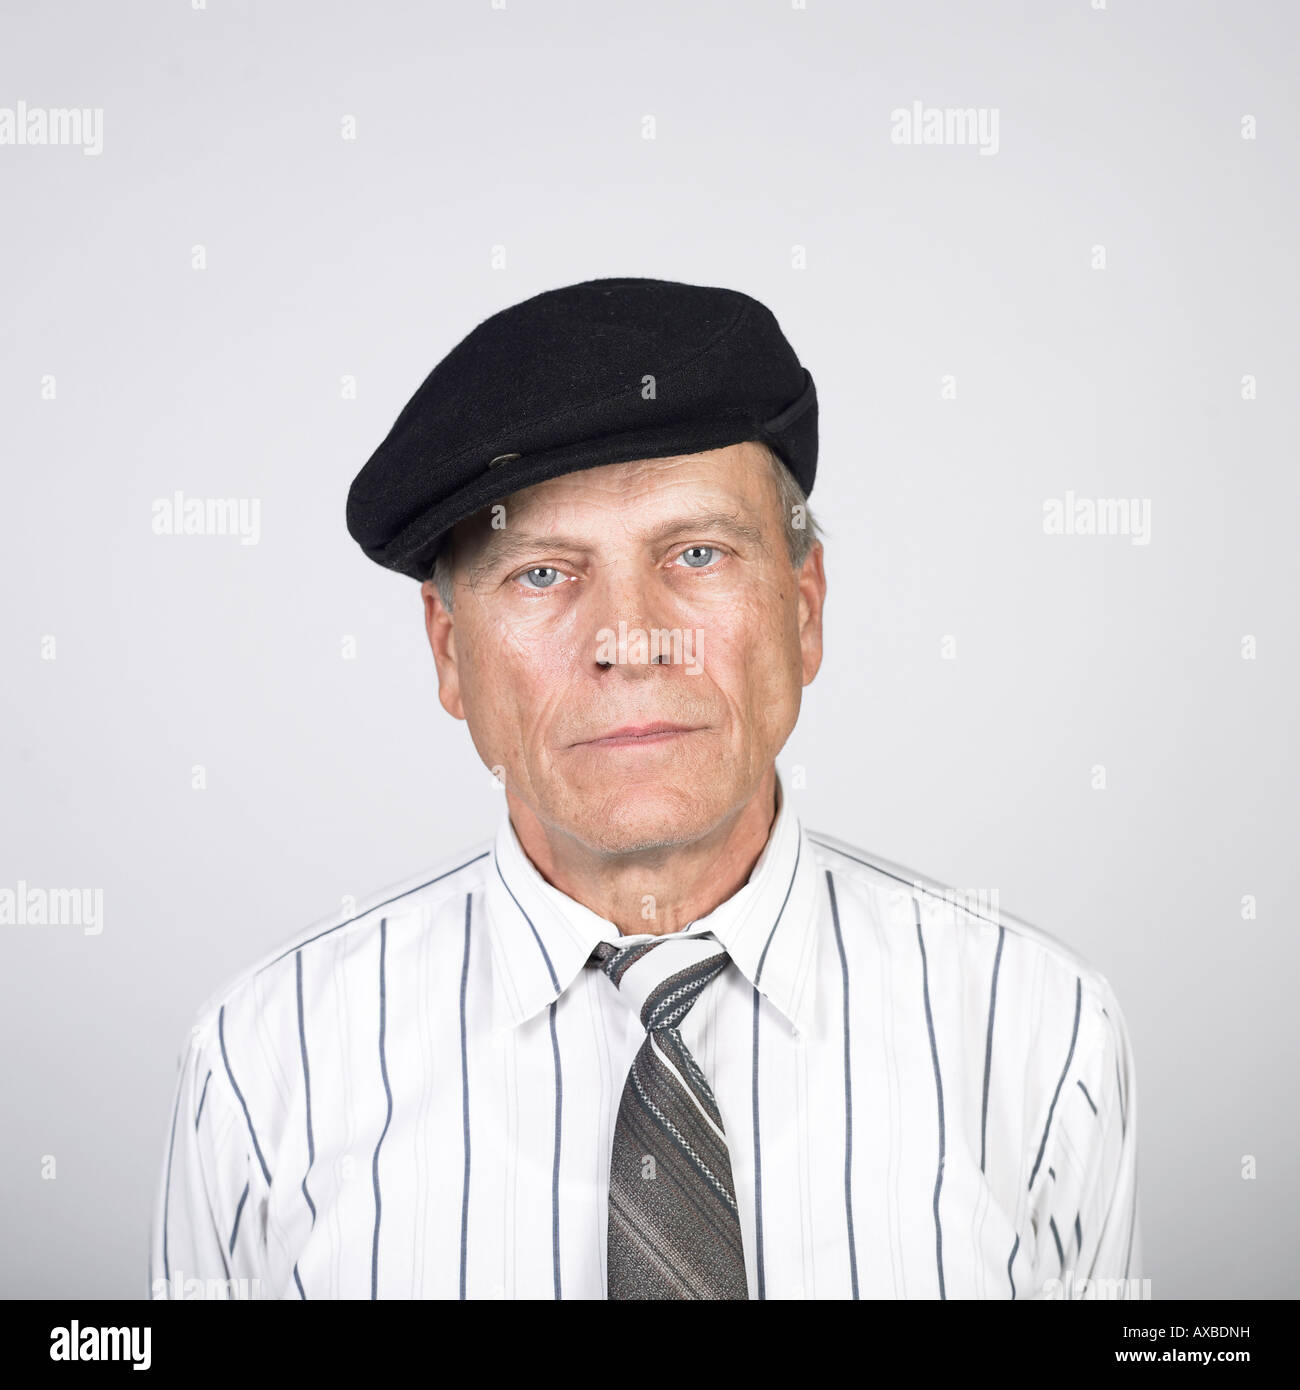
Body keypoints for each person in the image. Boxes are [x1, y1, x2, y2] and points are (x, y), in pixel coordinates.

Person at [149, 276, 1140, 1300]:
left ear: (803, 613)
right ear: (450, 654)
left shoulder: (1037, 1029)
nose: (630, 639)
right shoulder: (268, 1062)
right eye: (541, 573)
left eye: (697, 553)